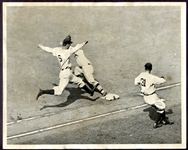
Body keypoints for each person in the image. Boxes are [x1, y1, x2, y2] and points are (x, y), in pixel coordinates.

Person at [36, 35, 95, 100]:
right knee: (59, 91)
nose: (70, 45)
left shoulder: (57, 50)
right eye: (69, 44)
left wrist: (40, 46)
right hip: (66, 74)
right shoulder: (67, 52)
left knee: (79, 81)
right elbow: (76, 47)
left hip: (66, 72)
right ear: (67, 44)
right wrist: (84, 43)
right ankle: (43, 91)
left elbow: (48, 49)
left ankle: (90, 92)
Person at [134, 62, 174, 128]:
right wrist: (162, 78)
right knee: (161, 108)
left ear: (145, 68)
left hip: (145, 97)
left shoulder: (141, 75)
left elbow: (135, 82)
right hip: (152, 97)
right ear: (151, 69)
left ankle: (164, 120)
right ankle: (156, 123)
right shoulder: (152, 77)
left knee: (160, 106)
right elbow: (162, 81)